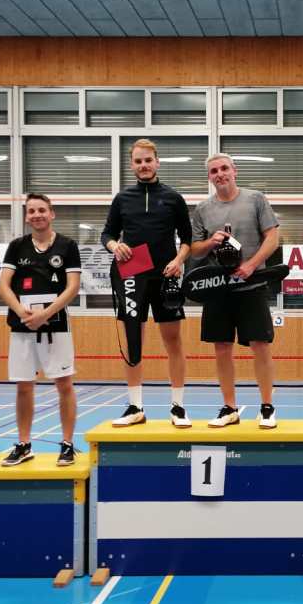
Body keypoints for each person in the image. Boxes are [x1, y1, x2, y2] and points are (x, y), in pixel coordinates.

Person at [102, 138, 193, 428]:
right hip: (132, 275)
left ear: (157, 162)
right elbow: (107, 234)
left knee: (173, 341)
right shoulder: (122, 199)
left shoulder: (173, 198)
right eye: (138, 161)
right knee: (133, 342)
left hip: (166, 276)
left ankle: (178, 407)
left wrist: (179, 260)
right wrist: (115, 245)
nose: (144, 165)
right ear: (132, 165)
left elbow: (188, 239)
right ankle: (135, 407)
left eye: (148, 160)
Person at [190, 153, 280, 428]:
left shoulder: (256, 199)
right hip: (218, 289)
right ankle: (229, 408)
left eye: (224, 168)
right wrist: (211, 242)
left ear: (234, 171)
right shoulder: (202, 209)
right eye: (214, 171)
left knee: (260, 345)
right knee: (221, 348)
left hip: (252, 285)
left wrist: (251, 265)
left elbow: (273, 237)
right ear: (209, 177)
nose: (220, 174)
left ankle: (267, 407)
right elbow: (194, 250)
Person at [0, 193, 81, 467]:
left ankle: (67, 444)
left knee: (64, 385)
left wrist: (46, 313)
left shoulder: (67, 246)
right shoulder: (16, 246)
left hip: (56, 326)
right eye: (31, 211)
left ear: (51, 213)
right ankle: (24, 445)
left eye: (41, 210)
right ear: (26, 216)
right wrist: (23, 313)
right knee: (24, 386)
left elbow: (72, 287)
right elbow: (3, 286)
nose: (37, 215)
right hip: (22, 326)